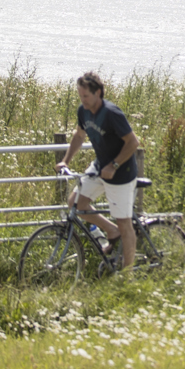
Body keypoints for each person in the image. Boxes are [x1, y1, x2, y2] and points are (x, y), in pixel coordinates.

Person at [56, 71, 139, 270]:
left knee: (124, 223)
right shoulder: (83, 111)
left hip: (121, 172)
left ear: (98, 93)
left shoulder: (111, 113)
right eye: (80, 95)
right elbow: (79, 135)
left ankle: (128, 275)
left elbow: (133, 142)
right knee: (76, 203)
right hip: (100, 166)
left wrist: (114, 165)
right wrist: (65, 161)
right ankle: (111, 230)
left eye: (86, 96)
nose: (82, 100)